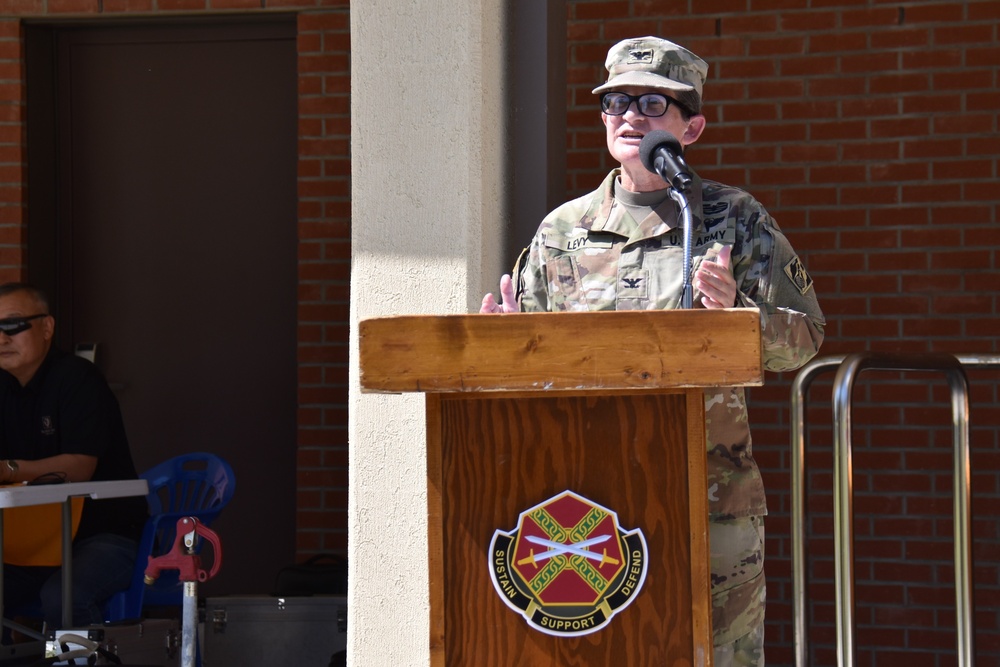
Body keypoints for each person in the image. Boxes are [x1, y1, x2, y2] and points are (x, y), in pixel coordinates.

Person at [481, 37, 825, 666]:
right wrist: (505, 344)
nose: (629, 115)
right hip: (588, 503)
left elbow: (802, 338)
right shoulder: (563, 231)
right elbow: (529, 366)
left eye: (651, 102)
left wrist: (737, 316)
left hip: (710, 496)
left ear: (691, 127)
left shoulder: (731, 219)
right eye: (615, 101)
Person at [0, 282, 148, 630]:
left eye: (13, 325)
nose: (3, 338)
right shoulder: (2, 386)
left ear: (47, 327)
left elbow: (79, 467)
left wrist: (9, 469)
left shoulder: (78, 378)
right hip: (35, 541)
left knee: (62, 597)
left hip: (105, 535)